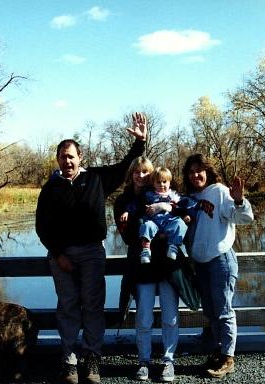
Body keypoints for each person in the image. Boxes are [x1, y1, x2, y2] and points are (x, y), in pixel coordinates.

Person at [35, 112, 147, 384]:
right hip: (62, 254)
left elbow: (123, 168)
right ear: (58, 160)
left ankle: (92, 358)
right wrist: (58, 253)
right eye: (62, 156)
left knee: (93, 306)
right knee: (68, 306)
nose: (67, 161)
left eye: (71, 156)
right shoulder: (51, 188)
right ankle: (70, 360)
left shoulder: (97, 178)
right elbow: (42, 226)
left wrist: (139, 144)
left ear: (80, 157)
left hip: (92, 252)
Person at [181, 153, 254, 379]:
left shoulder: (220, 191)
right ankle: (218, 351)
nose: (195, 175)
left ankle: (228, 357)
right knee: (211, 312)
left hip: (220, 260)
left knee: (223, 310)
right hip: (201, 264)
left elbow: (243, 218)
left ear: (208, 171)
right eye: (191, 172)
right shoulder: (191, 198)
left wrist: (240, 200)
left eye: (199, 170)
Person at [114, 157, 182, 382]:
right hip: (143, 266)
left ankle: (168, 361)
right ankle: (144, 361)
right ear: (131, 174)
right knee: (143, 317)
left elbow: (183, 216)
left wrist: (169, 212)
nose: (141, 176)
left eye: (146, 173)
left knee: (170, 317)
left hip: (167, 264)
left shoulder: (168, 194)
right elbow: (127, 235)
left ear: (153, 177)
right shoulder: (128, 201)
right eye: (137, 172)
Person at [138, 167, 195, 264]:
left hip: (169, 223)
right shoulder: (148, 195)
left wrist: (187, 215)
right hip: (154, 222)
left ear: (170, 183)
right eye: (158, 182)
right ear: (153, 183)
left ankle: (173, 246)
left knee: (180, 223)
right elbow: (137, 206)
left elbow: (187, 205)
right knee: (146, 226)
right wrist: (126, 211)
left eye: (164, 182)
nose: (162, 185)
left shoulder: (175, 196)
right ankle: (146, 250)